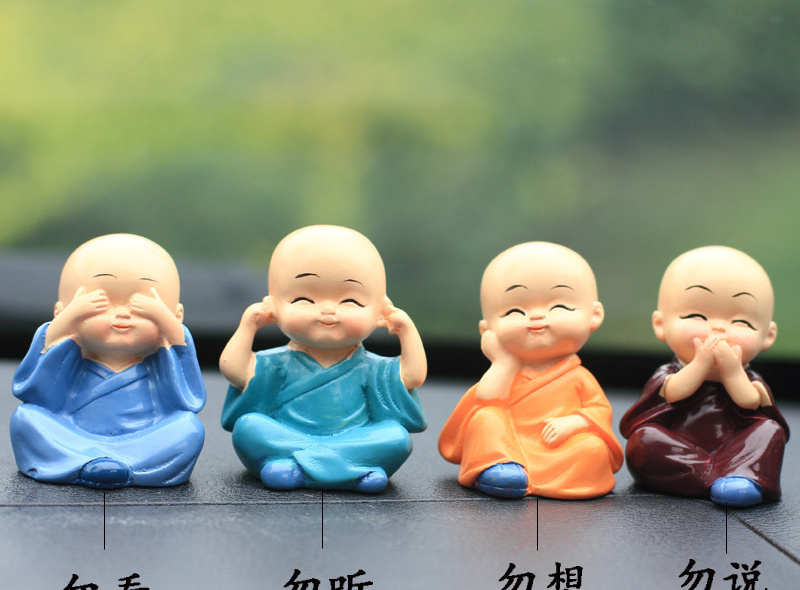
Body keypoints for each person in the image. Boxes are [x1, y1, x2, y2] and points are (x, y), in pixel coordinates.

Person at [220, 225, 427, 492]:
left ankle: (296, 467)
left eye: (350, 301)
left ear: (380, 311)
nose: (328, 310)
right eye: (304, 299)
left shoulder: (370, 367)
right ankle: (352, 470)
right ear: (273, 305)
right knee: (248, 427)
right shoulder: (278, 363)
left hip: (350, 437)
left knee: (397, 437)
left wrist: (406, 330)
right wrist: (249, 325)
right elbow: (235, 371)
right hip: (292, 434)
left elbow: (412, 376)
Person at [11, 234, 206, 488]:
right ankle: (84, 462)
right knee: (26, 418)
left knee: (189, 428)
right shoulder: (70, 354)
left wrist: (166, 323)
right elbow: (36, 393)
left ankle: (125, 467)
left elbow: (188, 400)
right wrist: (67, 322)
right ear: (61, 312)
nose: (122, 314)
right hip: (74, 437)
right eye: (101, 304)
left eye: (141, 306)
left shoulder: (160, 362)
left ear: (176, 316)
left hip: (145, 441)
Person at [438, 242, 622, 499]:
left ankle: (550, 479)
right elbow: (488, 398)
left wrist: (572, 423)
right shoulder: (506, 370)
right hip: (508, 444)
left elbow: (598, 410)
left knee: (593, 447)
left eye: (559, 307)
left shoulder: (578, 376)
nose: (537, 317)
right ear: (487, 329)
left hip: (560, 445)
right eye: (515, 311)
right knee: (486, 417)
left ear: (594, 315)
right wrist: (504, 363)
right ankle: (497, 467)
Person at [620, 246, 788, 507]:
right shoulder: (669, 373)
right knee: (644, 440)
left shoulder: (750, 378)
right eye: (696, 316)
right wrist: (699, 365)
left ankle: (739, 473)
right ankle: (722, 477)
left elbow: (748, 401)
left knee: (770, 430)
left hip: (737, 446)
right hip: (680, 445)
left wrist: (732, 372)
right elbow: (674, 392)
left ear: (768, 335)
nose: (717, 328)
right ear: (661, 325)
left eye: (741, 322)